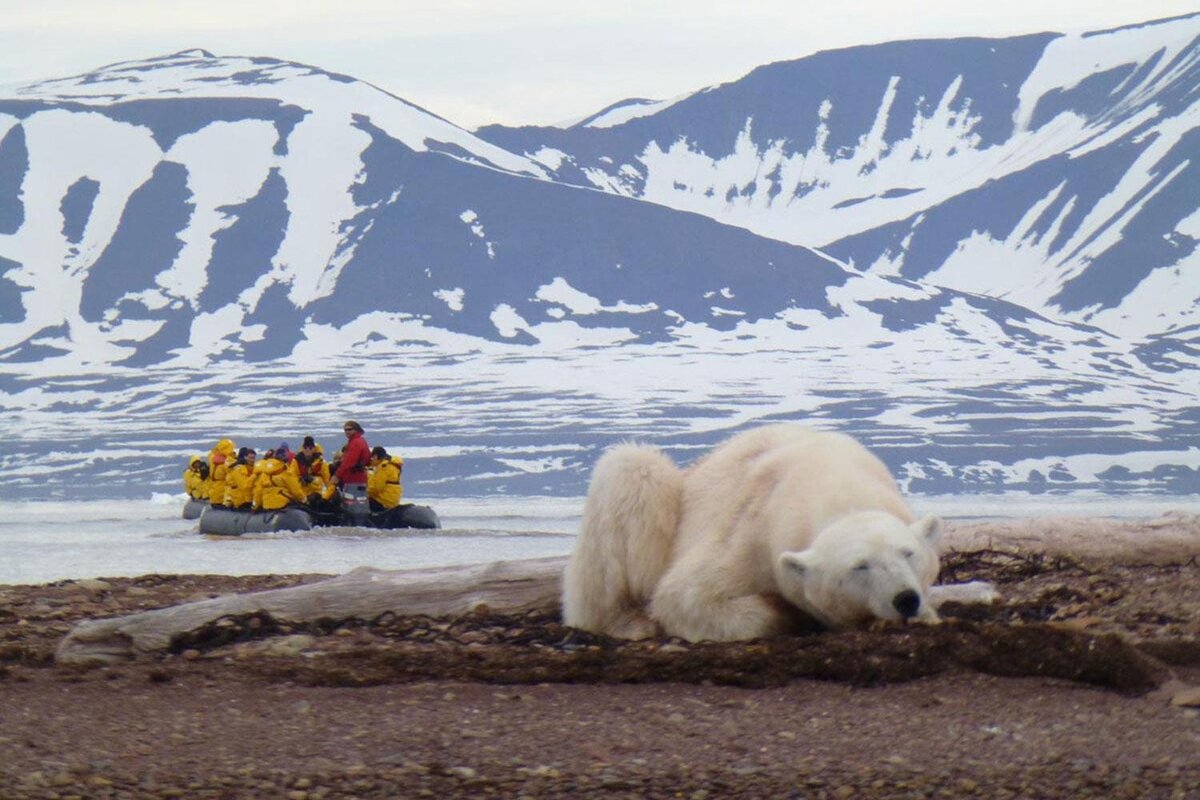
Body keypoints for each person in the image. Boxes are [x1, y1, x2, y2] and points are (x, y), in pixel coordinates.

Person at [367, 446, 404, 512]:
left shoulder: (383, 467)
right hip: (392, 499)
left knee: (363, 504)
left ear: (376, 456)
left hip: (384, 500)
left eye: (372, 458)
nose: (372, 460)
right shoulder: (392, 465)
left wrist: (366, 494)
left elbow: (377, 487)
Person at [207, 438, 237, 507]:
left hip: (214, 492)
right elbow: (232, 480)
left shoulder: (212, 459)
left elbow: (211, 454)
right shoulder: (229, 462)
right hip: (223, 493)